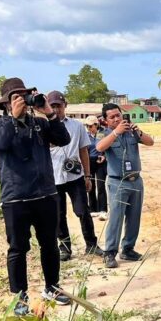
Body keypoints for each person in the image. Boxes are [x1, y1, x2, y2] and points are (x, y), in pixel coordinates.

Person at [0, 77, 71, 315]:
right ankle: (19, 296)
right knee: (17, 248)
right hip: (15, 198)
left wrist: (49, 113)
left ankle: (52, 287)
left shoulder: (40, 124)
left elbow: (64, 139)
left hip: (45, 194)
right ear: (5, 104)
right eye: (16, 98)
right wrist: (13, 118)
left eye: (24, 96)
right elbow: (0, 144)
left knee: (50, 245)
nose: (22, 101)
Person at [46, 91, 104, 261]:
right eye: (52, 106)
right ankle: (64, 248)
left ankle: (91, 244)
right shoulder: (43, 126)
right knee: (58, 214)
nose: (56, 109)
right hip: (53, 177)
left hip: (75, 176)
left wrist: (87, 176)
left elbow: (83, 151)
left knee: (83, 211)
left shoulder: (77, 126)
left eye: (59, 105)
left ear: (65, 106)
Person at [95, 103, 154, 269]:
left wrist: (139, 132)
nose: (116, 119)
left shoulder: (131, 132)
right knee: (116, 217)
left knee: (134, 216)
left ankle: (128, 249)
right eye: (112, 117)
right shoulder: (104, 133)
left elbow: (150, 142)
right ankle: (110, 252)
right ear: (105, 120)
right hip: (117, 182)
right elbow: (99, 147)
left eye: (118, 115)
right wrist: (116, 132)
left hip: (136, 180)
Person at [83, 116, 108, 220]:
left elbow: (108, 147)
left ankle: (103, 210)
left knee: (101, 185)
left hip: (101, 162)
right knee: (91, 186)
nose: (88, 128)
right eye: (87, 126)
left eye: (90, 126)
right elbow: (84, 149)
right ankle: (93, 209)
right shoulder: (86, 135)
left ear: (96, 125)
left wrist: (104, 156)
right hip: (90, 162)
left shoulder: (103, 133)